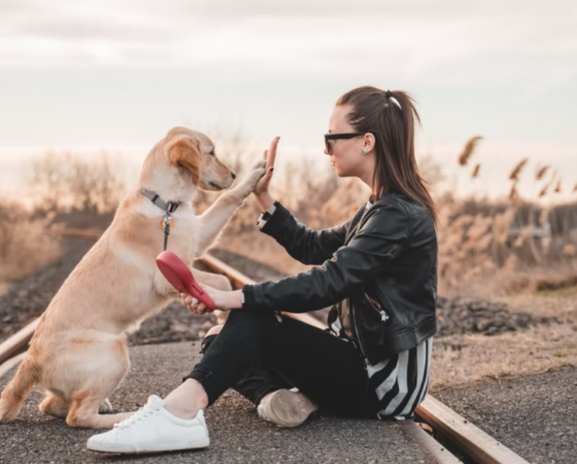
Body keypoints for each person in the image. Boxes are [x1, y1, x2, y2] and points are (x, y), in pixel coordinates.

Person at [87, 86, 439, 455]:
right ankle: (279, 398)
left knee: (248, 322)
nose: (325, 149)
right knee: (219, 340)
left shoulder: (396, 215)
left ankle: (179, 414)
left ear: (367, 141)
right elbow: (313, 247)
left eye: (331, 138)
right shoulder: (378, 208)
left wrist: (236, 297)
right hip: (358, 361)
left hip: (384, 383)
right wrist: (264, 196)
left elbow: (329, 281)